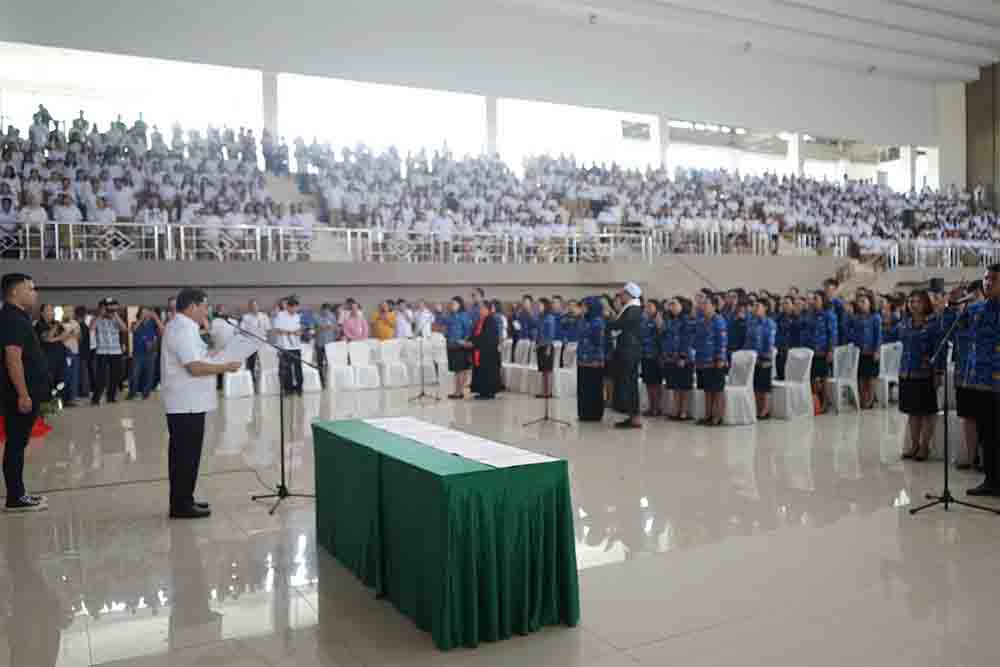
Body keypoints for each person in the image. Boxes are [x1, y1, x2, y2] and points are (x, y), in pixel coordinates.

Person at [160, 287, 242, 518]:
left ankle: (185, 498)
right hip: (185, 403)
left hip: (191, 401)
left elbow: (199, 358)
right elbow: (194, 368)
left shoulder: (187, 328)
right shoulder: (181, 329)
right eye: (204, 306)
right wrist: (225, 366)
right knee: (185, 456)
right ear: (192, 306)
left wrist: (217, 357)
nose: (207, 310)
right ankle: (181, 505)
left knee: (188, 455)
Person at [1, 273, 50, 512]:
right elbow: (13, 357)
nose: (34, 292)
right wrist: (23, 393)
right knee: (16, 444)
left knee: (18, 444)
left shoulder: (18, 317)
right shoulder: (11, 318)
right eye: (29, 288)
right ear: (14, 292)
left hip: (28, 391)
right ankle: (15, 497)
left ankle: (18, 493)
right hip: (20, 394)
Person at [965, 266, 1000, 496]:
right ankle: (991, 480)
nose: (987, 282)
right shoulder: (977, 309)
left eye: (994, 279)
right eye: (986, 278)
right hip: (982, 381)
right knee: (987, 434)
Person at [898, 290, 941, 462]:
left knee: (926, 412)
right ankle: (914, 445)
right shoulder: (905, 323)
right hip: (907, 371)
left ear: (925, 304)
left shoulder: (932, 324)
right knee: (912, 412)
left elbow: (938, 349)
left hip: (924, 373)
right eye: (911, 301)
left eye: (917, 301)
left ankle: (925, 447)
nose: (913, 304)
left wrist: (938, 372)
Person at [607, 282, 643, 429]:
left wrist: (608, 319)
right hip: (627, 350)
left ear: (629, 294)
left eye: (623, 294)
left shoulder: (633, 308)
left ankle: (634, 417)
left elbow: (621, 325)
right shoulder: (630, 308)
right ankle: (632, 415)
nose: (620, 296)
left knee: (630, 384)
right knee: (628, 384)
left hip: (629, 350)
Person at [695, 295, 728, 426]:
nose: (703, 306)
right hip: (703, 360)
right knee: (707, 390)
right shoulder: (702, 321)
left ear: (714, 306)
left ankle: (717, 417)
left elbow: (722, 342)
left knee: (717, 390)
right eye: (702, 304)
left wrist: (720, 358)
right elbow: (698, 340)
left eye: (706, 304)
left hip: (715, 360)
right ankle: (708, 415)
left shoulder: (719, 321)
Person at [804, 291, 838, 413]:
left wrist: (831, 351)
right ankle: (816, 402)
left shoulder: (829, 315)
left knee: (824, 378)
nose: (813, 301)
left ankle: (825, 403)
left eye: (816, 299)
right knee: (813, 377)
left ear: (823, 300)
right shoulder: (811, 314)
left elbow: (833, 334)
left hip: (823, 351)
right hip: (812, 351)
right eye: (813, 299)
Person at [90, 298, 127, 405]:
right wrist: (100, 315)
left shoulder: (115, 318)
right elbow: (91, 329)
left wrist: (115, 315)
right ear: (101, 308)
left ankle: (111, 397)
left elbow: (124, 329)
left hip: (116, 351)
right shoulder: (96, 319)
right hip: (102, 351)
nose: (109, 310)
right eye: (106, 308)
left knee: (116, 375)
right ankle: (96, 398)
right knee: (101, 377)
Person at [576, 296, 606, 422]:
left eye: (584, 306)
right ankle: (584, 413)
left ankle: (594, 413)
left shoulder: (598, 321)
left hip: (593, 360)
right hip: (582, 358)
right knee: (583, 388)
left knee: (593, 387)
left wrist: (592, 357)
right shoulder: (582, 320)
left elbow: (598, 341)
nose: (582, 309)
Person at [745, 301, 776, 419]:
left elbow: (769, 343)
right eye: (754, 306)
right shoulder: (752, 322)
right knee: (756, 385)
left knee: (764, 386)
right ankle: (758, 408)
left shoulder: (769, 323)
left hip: (764, 358)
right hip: (752, 358)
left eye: (758, 306)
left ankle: (765, 410)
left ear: (765, 308)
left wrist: (763, 357)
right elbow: (748, 341)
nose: (755, 308)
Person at [850, 294, 882, 409]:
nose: (861, 304)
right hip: (860, 352)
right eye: (859, 302)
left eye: (863, 301)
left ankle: (870, 400)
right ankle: (863, 399)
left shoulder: (875, 317)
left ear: (870, 303)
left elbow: (878, 335)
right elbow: (853, 334)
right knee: (861, 376)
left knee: (872, 377)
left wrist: (877, 351)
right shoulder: (856, 318)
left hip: (872, 351)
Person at [128, 306, 163, 400]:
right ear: (139, 313)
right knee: (134, 374)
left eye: (146, 312)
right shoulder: (135, 323)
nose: (145, 314)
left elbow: (162, 330)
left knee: (149, 375)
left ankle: (146, 394)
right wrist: (141, 319)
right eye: (142, 312)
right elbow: (133, 330)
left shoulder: (153, 324)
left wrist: (156, 318)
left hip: (151, 353)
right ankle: (132, 393)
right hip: (137, 354)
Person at [34, 304, 68, 403]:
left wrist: (54, 339)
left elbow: (66, 334)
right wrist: (54, 331)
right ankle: (48, 403)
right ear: (42, 313)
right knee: (49, 381)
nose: (51, 312)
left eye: (52, 310)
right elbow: (47, 337)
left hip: (60, 356)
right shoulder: (39, 325)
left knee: (61, 380)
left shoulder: (56, 323)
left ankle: (58, 401)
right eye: (48, 310)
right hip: (48, 358)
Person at [272, 297, 304, 395]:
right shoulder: (280, 315)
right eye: (294, 308)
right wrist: (289, 332)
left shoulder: (297, 316)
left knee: (298, 368)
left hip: (296, 346)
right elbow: (276, 330)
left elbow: (300, 329)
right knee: (286, 369)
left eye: (296, 308)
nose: (295, 310)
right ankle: (288, 389)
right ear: (288, 307)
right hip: (284, 347)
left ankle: (299, 388)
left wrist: (299, 332)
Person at [468, 301, 500, 400]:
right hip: (479, 350)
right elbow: (475, 333)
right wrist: (469, 340)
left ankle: (488, 392)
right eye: (480, 308)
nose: (480, 310)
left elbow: (486, 336)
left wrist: (474, 342)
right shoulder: (479, 320)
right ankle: (482, 391)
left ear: (488, 310)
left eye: (482, 308)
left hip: (488, 352)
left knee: (487, 372)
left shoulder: (491, 320)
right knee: (480, 371)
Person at [640, 300, 663, 417]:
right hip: (645, 355)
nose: (647, 309)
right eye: (646, 307)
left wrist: (659, 325)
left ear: (656, 308)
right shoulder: (644, 321)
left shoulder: (658, 320)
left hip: (656, 356)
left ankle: (657, 407)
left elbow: (662, 336)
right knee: (648, 383)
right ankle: (651, 406)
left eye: (650, 306)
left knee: (656, 383)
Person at [239, 299, 269, 385]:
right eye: (252, 306)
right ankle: (252, 381)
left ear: (258, 306)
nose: (254, 308)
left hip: (262, 344)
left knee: (263, 363)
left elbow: (268, 330)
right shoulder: (246, 317)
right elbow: (242, 330)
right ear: (249, 308)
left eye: (255, 306)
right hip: (250, 344)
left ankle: (262, 382)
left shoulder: (264, 316)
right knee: (251, 363)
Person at [535, 298, 558, 399]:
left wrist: (548, 347)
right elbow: (539, 332)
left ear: (545, 306)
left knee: (548, 370)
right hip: (540, 345)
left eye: (540, 305)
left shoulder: (550, 317)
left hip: (547, 346)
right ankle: (544, 391)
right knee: (543, 370)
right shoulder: (540, 317)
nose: (538, 307)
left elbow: (551, 334)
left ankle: (548, 392)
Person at [314, 303, 339, 389]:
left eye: (328, 311)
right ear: (322, 310)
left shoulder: (332, 316)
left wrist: (333, 329)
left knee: (330, 363)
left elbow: (336, 329)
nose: (326, 312)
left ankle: (330, 380)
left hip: (330, 343)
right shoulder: (316, 317)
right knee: (320, 363)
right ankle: (321, 381)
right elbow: (312, 331)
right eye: (325, 310)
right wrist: (321, 328)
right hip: (320, 343)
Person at [60, 310, 81, 406]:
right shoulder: (59, 324)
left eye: (71, 311)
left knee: (75, 375)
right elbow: (61, 338)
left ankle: (73, 398)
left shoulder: (75, 322)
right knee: (66, 375)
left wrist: (70, 334)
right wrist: (71, 334)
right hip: (66, 352)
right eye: (67, 311)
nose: (69, 313)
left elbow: (79, 336)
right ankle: (64, 398)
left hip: (75, 352)